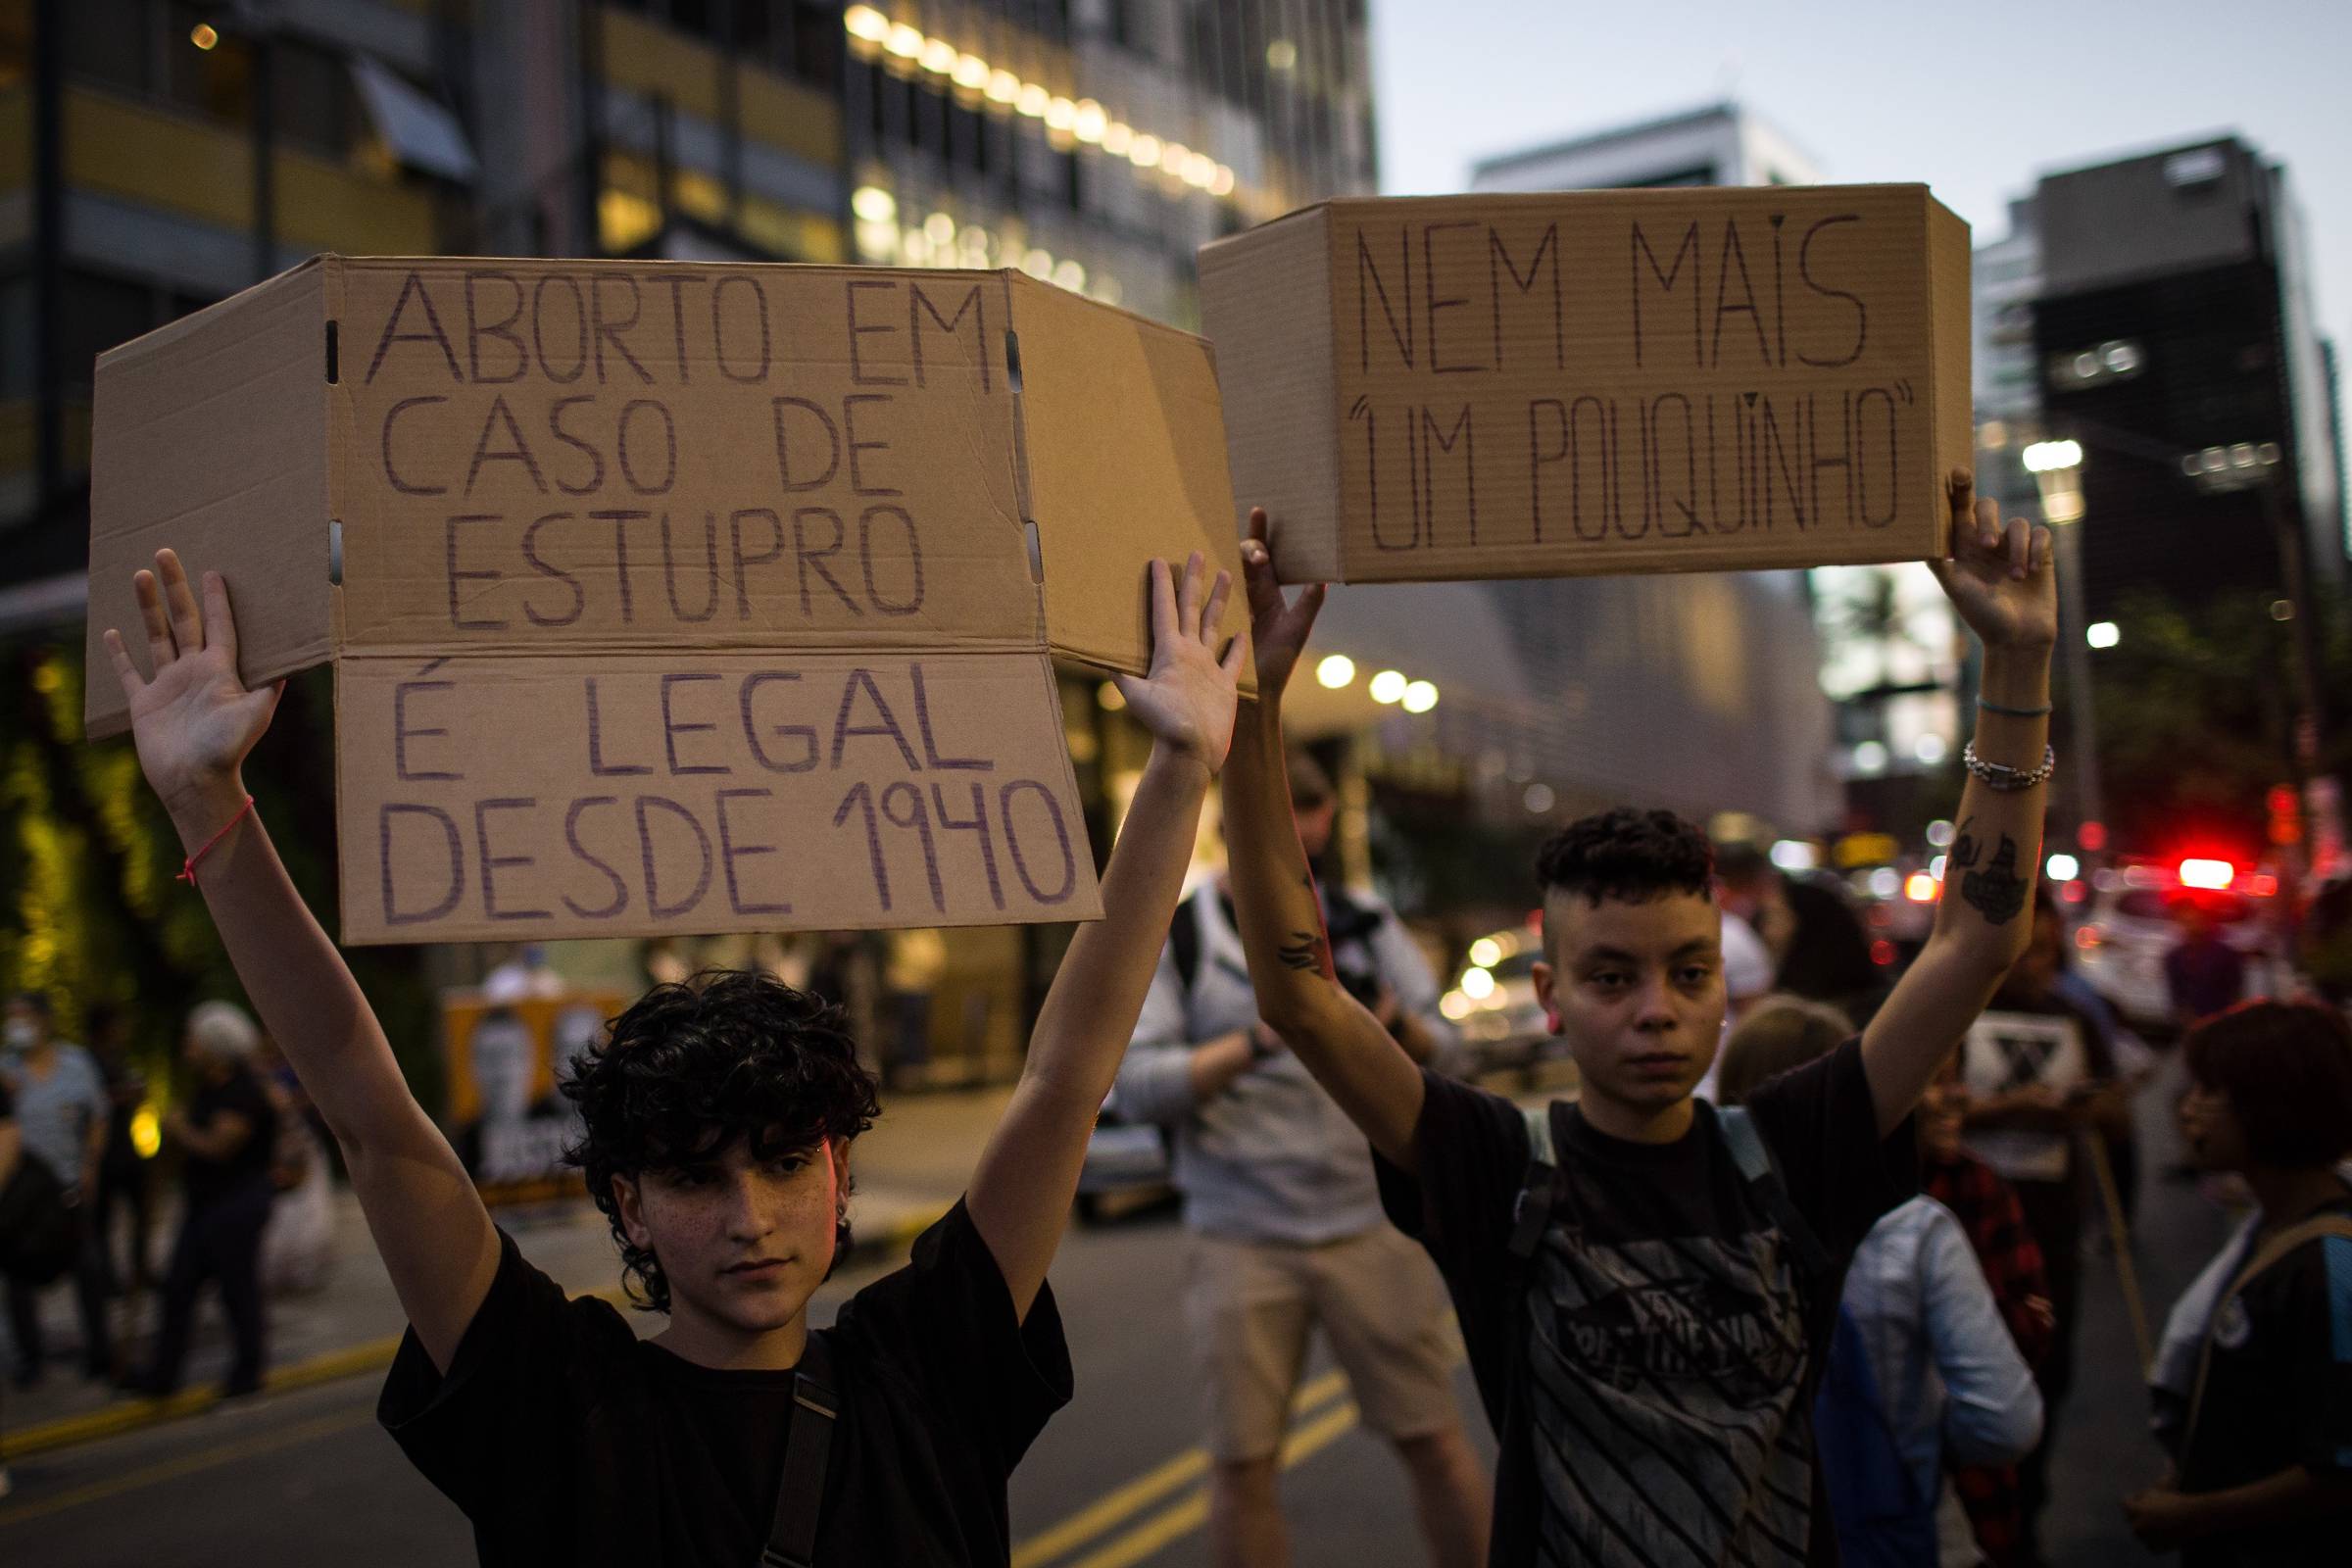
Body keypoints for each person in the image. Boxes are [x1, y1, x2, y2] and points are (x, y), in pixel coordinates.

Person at [100, 545, 1242, 1562]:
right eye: (696, 1175)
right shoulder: (555, 1403)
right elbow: (369, 1111)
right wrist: (208, 804)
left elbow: (1067, 1078)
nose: (749, 1215)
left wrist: (1185, 765)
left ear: (839, 1174)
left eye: (787, 1160)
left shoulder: (925, 1372)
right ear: (629, 1205)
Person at [1219, 472, 2057, 1566]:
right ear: (1551, 999)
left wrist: (2019, 662)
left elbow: (1976, 940)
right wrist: (1253, 712)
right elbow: (1301, 993)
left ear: (1725, 983)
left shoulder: (1796, 1148)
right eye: (1612, 978)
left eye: (1690, 972)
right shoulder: (1490, 1168)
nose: (1657, 1012)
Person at [1113, 751, 1489, 1567]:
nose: (1290, 849)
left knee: (1432, 1438)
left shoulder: (1367, 923)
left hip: (1373, 1222)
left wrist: (1391, 1025)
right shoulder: (1181, 936)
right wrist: (1260, 1037)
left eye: (1305, 828)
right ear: (1229, 828)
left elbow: (1452, 1054)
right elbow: (1139, 1086)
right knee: (1241, 1464)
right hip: (1240, 1232)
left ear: (1322, 829)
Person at [1719, 1000, 2043, 1568]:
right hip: (1906, 1534)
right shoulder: (1912, 1229)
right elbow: (2005, 1421)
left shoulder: (1699, 1231)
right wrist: (1918, 1435)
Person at [2127, 1001, 2352, 1563]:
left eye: (2210, 1092)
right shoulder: (2268, 1227)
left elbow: (2340, 1469)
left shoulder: (2331, 1262)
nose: (2189, 1107)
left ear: (2268, 1108)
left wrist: (2198, 1514)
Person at [1955, 892, 2131, 1556]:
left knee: (2047, 1370)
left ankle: (2026, 1512)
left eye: (2049, 948)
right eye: (2025, 949)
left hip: (2052, 1227)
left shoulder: (2075, 1018)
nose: (2038, 963)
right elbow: (1926, 1110)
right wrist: (2011, 1108)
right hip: (1971, 1226)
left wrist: (2088, 1107)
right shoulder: (1955, 1015)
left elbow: (2115, 1118)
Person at [1919, 1059, 2056, 1567]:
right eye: (1933, 1079)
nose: (1956, 1097)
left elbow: (2033, 1326)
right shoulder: (1850, 1195)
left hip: (1974, 1477)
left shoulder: (1975, 1182)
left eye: (1956, 1077)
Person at [124, 1000, 281, 1396]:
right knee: (179, 1288)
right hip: (205, 1205)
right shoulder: (208, 1089)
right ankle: (163, 1376)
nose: (187, 1048)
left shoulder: (243, 1091)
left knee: (237, 1290)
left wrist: (179, 1129)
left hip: (235, 1206)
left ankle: (248, 1372)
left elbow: (218, 1146)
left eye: (193, 1041)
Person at [0, 991, 114, 1385]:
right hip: (23, 1195)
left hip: (68, 1186)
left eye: (23, 1015)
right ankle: (31, 1359)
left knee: (87, 1268)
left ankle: (100, 1353)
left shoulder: (76, 1064)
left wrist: (90, 1164)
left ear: (44, 1021)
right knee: (18, 1277)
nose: (16, 1023)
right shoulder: (6, 1071)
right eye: (11, 1016)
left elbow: (98, 1116)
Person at [84, 1002, 156, 1294]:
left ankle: (141, 1270)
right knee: (102, 1219)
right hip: (103, 1151)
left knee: (141, 1210)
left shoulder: (117, 1056)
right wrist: (124, 1095)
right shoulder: (86, 1060)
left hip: (127, 1147)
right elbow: (93, 1102)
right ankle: (107, 1278)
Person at [2164, 900, 2247, 1030]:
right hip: (2193, 1023)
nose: (2192, 926)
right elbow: (2177, 993)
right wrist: (2186, 1018)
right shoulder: (2175, 957)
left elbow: (2236, 989)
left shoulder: (2225, 954)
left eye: (2196, 920)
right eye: (2187, 921)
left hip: (2220, 1021)